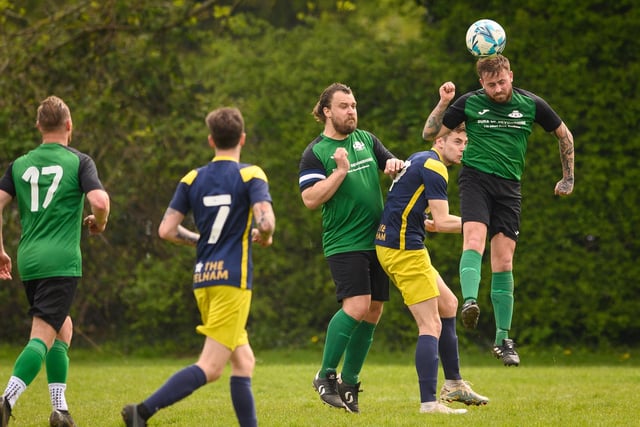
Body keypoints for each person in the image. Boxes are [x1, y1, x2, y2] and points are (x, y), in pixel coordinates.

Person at [121, 107, 275, 427]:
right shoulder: (251, 175)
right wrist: (265, 233)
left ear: (210, 140)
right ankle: (142, 412)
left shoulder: (192, 178)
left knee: (243, 361)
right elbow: (266, 219)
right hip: (232, 280)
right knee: (211, 367)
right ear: (242, 139)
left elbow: (166, 230)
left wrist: (199, 240)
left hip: (204, 277)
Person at [422, 56, 575, 366]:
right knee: (475, 239)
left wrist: (568, 177)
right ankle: (469, 302)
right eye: (491, 84)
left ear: (511, 76)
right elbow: (430, 133)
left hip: (509, 188)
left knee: (504, 259)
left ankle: (503, 339)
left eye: (502, 82)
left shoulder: (531, 104)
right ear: (482, 84)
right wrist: (444, 102)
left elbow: (564, 135)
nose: (497, 89)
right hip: (475, 179)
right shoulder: (469, 103)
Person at [0, 95, 110, 427]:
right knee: (43, 335)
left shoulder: (20, 164)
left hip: (29, 261)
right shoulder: (79, 162)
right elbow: (100, 201)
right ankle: (6, 399)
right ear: (69, 125)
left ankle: (59, 409)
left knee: (63, 328)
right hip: (61, 262)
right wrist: (99, 223)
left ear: (38, 127)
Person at [298, 83, 404, 413]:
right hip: (344, 242)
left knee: (373, 311)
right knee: (356, 306)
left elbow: (392, 163)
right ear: (327, 111)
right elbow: (310, 199)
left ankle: (349, 383)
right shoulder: (316, 152)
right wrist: (341, 171)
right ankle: (325, 375)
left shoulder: (367, 140)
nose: (351, 111)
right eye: (344, 106)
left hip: (378, 240)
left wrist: (395, 166)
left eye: (354, 105)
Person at [375, 125, 488, 414]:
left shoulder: (421, 157)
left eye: (466, 143)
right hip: (404, 251)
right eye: (458, 141)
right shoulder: (436, 166)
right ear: (440, 141)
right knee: (431, 325)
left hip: (397, 245)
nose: (463, 147)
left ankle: (453, 384)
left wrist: (424, 218)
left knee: (449, 304)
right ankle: (428, 404)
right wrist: (479, 223)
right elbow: (443, 218)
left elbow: (419, 210)